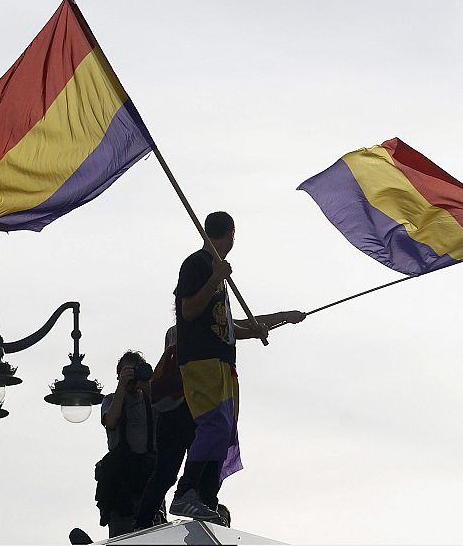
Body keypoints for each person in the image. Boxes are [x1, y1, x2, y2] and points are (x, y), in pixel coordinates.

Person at [168, 211, 306, 522]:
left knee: (224, 431)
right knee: (214, 426)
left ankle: (206, 498)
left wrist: (278, 319)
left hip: (221, 361)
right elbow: (188, 311)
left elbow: (226, 325)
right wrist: (215, 278)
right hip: (201, 360)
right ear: (231, 234)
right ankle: (185, 492)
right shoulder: (197, 264)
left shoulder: (214, 270)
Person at [95, 350, 157, 538]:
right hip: (121, 482)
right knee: (124, 536)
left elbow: (168, 419)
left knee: (154, 534)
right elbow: (111, 421)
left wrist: (148, 385)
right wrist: (122, 386)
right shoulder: (111, 400)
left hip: (147, 479)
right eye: (128, 371)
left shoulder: (151, 400)